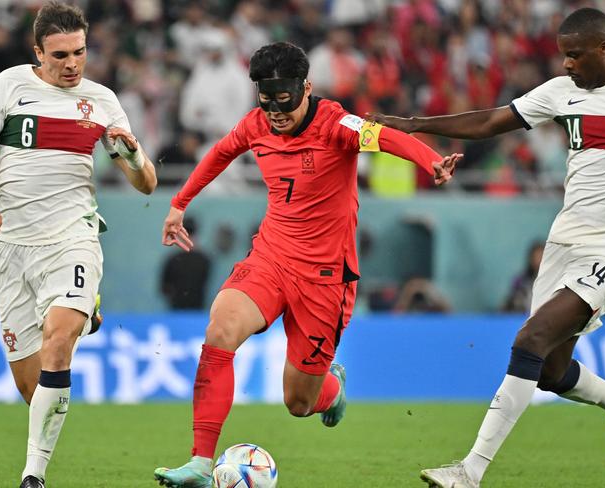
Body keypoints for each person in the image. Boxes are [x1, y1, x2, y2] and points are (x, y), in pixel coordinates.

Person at [154, 41, 461, 487]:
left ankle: (330, 390)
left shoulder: (337, 123)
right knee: (220, 329)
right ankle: (201, 463)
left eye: (285, 99)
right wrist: (179, 203)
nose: (276, 110)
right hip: (272, 257)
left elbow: (388, 137)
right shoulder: (256, 124)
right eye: (267, 98)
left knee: (298, 402)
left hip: (325, 278)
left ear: (306, 88)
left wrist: (430, 160)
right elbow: (221, 152)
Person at [369, 7, 605, 487]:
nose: (567, 65)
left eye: (576, 55)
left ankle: (469, 471)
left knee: (529, 341)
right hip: (565, 240)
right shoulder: (561, 93)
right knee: (551, 371)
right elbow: (491, 120)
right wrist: (414, 125)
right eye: (564, 56)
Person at [0, 3, 157, 488]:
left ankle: (33, 476)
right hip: (9, 246)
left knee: (58, 344)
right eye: (60, 54)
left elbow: (146, 182)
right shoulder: (7, 87)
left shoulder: (102, 101)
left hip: (71, 237)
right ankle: (84, 310)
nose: (72, 64)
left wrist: (129, 154)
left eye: (80, 52)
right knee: (30, 387)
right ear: (37, 52)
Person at [160, 216, 212, 310]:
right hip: (197, 310)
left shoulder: (172, 259)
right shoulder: (204, 259)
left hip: (177, 310)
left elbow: (164, 288)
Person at [502, 240, 545, 313]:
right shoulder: (521, 281)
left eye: (541, 256)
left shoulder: (554, 281)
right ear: (531, 259)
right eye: (536, 256)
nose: (539, 260)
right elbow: (510, 302)